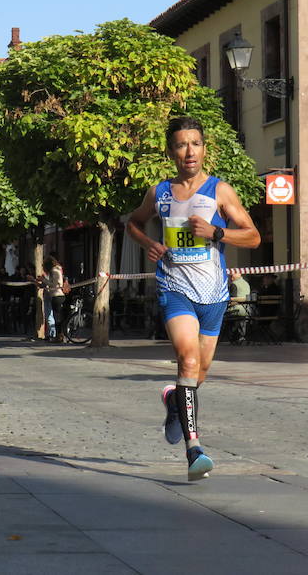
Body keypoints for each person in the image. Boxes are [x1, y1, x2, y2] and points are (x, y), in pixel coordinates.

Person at [126, 116, 261, 481]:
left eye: (196, 144)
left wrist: (217, 231)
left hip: (214, 294)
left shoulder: (220, 191)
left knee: (197, 374)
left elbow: (253, 237)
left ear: (204, 149)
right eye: (182, 145)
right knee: (186, 360)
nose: (190, 151)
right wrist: (150, 244)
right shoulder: (160, 193)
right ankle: (194, 450)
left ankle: (174, 400)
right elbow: (133, 223)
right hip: (175, 288)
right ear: (171, 151)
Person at [41, 255, 68, 342]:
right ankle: (60, 335)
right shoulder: (58, 269)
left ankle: (59, 336)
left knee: (57, 317)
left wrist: (44, 280)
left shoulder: (54, 270)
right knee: (58, 316)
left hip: (57, 295)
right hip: (58, 295)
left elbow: (56, 284)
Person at [227, 272, 252, 344]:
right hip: (247, 309)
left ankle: (231, 337)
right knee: (242, 320)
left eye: (231, 276)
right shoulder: (246, 284)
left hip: (236, 310)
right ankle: (241, 336)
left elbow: (231, 298)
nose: (230, 277)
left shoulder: (234, 284)